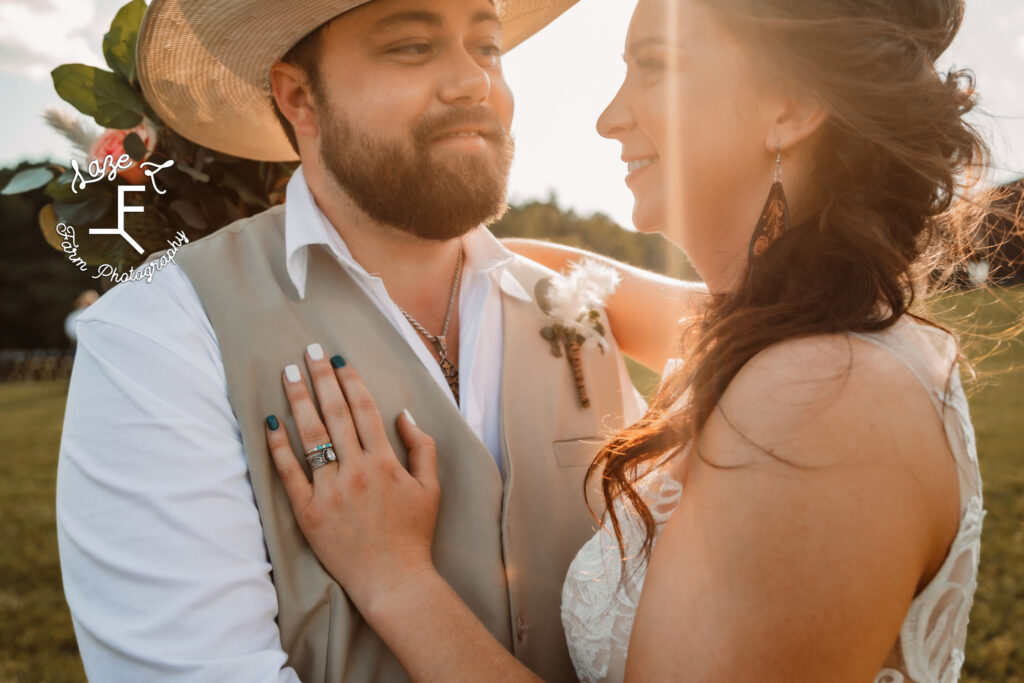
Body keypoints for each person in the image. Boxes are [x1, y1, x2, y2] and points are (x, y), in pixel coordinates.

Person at [263, 0, 992, 681]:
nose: (610, 117)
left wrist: (395, 578)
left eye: (654, 65)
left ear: (792, 106)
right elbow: (561, 277)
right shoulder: (774, 330)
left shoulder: (817, 399)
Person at [55, 0, 709, 681]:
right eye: (411, 48)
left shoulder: (578, 315)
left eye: (486, 48)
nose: (473, 82)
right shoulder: (160, 334)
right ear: (299, 97)